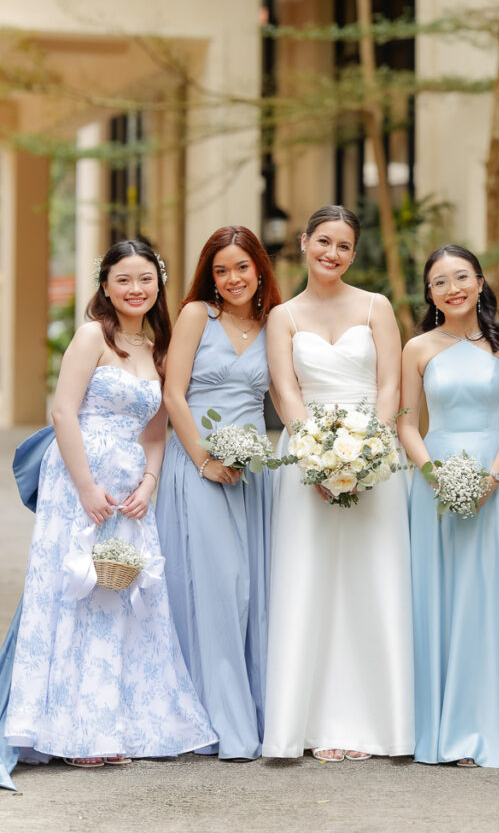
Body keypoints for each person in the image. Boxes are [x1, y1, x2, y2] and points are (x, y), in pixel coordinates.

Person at [0, 240, 215, 791]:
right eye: (124, 279)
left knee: (123, 592)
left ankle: (116, 724)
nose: (135, 289)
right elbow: (63, 412)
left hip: (129, 486)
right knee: (77, 589)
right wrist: (85, 487)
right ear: (106, 285)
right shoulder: (92, 336)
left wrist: (149, 483)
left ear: (158, 285)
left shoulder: (158, 347)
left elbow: (156, 431)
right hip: (79, 479)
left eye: (145, 279)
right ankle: (73, 730)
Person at [262, 205, 414, 761]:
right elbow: (286, 392)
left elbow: (390, 384)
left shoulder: (377, 307)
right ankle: (309, 727)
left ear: (353, 253)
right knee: (309, 583)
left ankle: (380, 725)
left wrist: (370, 452)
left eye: (344, 245)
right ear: (304, 242)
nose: (332, 253)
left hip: (375, 454)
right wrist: (317, 460)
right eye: (324, 241)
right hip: (306, 459)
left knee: (374, 581)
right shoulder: (283, 316)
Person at [398, 245, 499, 769]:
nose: (451, 289)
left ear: (479, 282)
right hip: (435, 481)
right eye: (439, 282)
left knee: (493, 595)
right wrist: (434, 476)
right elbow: (407, 423)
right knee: (443, 598)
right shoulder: (417, 348)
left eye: (460, 277)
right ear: (429, 294)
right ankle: (442, 723)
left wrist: (493, 477)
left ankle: (492, 722)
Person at [156, 226, 281, 760]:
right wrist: (205, 460)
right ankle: (217, 720)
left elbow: (286, 397)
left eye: (241, 268)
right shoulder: (195, 316)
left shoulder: (275, 323)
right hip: (199, 465)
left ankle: (257, 712)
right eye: (221, 270)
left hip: (254, 473)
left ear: (259, 269)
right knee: (216, 587)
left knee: (253, 590)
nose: (232, 279)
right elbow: (173, 395)